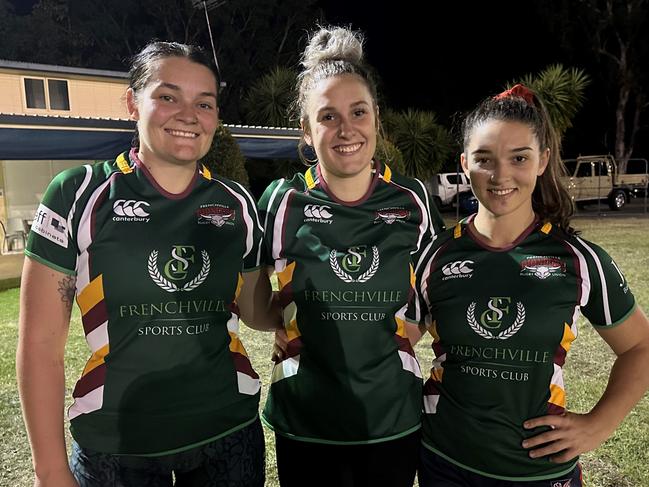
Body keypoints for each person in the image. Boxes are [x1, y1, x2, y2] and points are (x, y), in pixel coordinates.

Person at [16, 41, 280, 487]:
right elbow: (40, 345)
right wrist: (50, 471)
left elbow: (256, 312)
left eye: (205, 103)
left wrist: (318, 308)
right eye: (167, 96)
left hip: (228, 435)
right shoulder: (78, 194)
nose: (188, 115)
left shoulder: (236, 203)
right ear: (132, 103)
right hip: (116, 448)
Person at [408, 84, 649, 486]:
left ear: (543, 160)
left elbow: (640, 347)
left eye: (518, 157)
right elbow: (396, 340)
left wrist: (598, 425)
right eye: (484, 159)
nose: (501, 175)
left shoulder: (578, 259)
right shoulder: (437, 254)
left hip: (539, 473)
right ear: (465, 163)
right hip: (444, 462)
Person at [259, 25, 445, 487]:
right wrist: (287, 326)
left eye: (358, 112)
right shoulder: (280, 201)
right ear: (305, 128)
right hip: (305, 422)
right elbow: (251, 299)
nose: (346, 129)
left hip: (392, 420)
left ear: (376, 117)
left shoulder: (412, 201)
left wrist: (395, 339)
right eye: (327, 116)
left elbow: (437, 297)